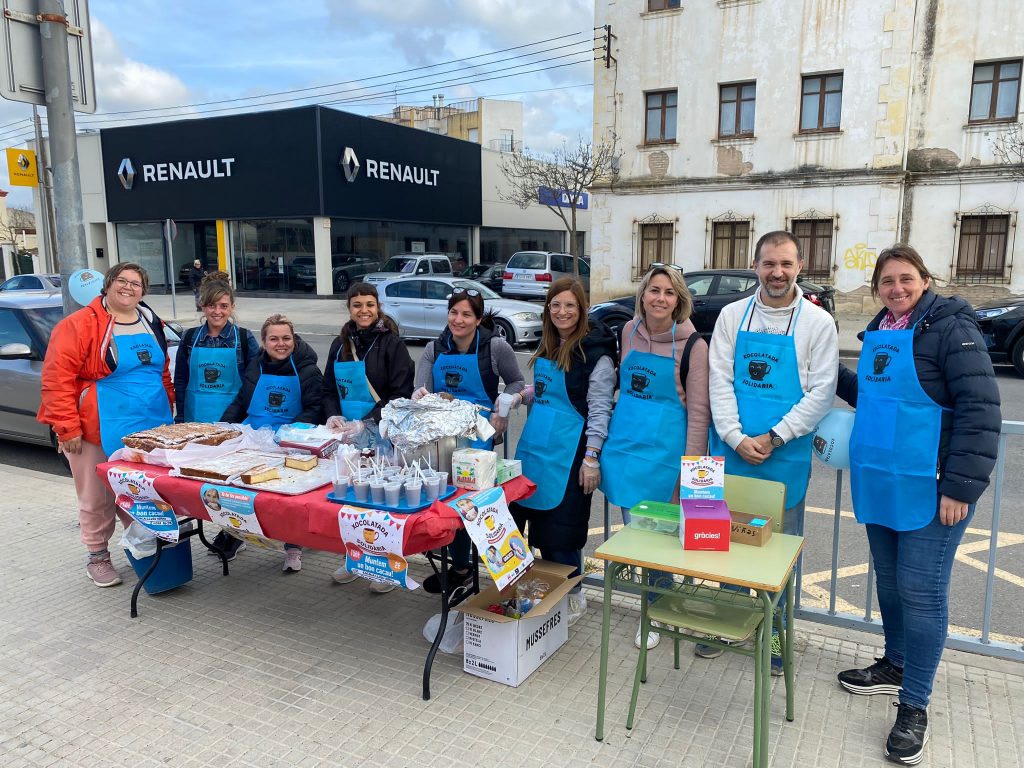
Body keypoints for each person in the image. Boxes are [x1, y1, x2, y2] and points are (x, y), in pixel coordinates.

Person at [834, 245, 1000, 766]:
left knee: (921, 591)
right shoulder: (883, 327)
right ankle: (896, 664)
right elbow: (874, 398)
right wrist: (825, 369)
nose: (896, 288)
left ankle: (914, 705)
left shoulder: (952, 328)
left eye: (906, 279)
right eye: (887, 280)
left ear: (926, 280)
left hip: (933, 487)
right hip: (882, 481)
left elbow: (981, 409)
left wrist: (960, 488)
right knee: (888, 581)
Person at [707, 230, 838, 669]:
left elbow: (822, 392)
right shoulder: (730, 315)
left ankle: (778, 633)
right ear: (755, 266)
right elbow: (719, 380)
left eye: (785, 264)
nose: (776, 273)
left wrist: (774, 436)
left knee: (779, 550)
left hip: (784, 454)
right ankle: (725, 620)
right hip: (733, 450)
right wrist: (735, 436)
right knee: (726, 540)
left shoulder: (817, 323)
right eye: (768, 264)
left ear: (799, 266)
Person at [37, 263, 174, 587]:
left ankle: (141, 549)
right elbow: (57, 378)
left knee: (142, 493)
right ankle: (97, 556)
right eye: (122, 281)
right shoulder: (79, 324)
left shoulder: (151, 320)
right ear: (108, 284)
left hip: (149, 425)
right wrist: (67, 428)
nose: (128, 288)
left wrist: (170, 407)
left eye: (136, 283)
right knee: (96, 497)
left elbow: (162, 370)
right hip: (97, 424)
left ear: (144, 290)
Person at [600, 264, 711, 649]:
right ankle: (656, 610)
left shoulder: (694, 345)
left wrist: (690, 475)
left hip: (665, 460)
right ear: (642, 295)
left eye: (669, 292)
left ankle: (658, 614)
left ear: (679, 300)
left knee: (660, 546)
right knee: (637, 542)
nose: (660, 298)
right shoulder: (628, 332)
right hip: (626, 453)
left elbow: (699, 414)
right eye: (654, 290)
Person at [509, 277, 617, 627]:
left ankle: (573, 595)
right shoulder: (550, 343)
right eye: (555, 305)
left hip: (569, 456)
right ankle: (542, 590)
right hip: (535, 450)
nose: (562, 311)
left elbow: (600, 408)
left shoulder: (595, 354)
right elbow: (543, 391)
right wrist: (520, 397)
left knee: (562, 533)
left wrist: (592, 458)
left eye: (569, 305)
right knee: (536, 525)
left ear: (582, 309)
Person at [413, 286, 525, 593]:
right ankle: (460, 567)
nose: (458, 320)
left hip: (478, 438)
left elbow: (517, 381)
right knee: (446, 503)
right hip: (441, 438)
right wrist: (420, 395)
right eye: (453, 312)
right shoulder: (433, 349)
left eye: (466, 314)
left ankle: (495, 570)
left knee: (473, 503)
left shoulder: (495, 347)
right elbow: (418, 389)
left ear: (478, 319)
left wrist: (504, 404)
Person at [324, 283, 414, 593]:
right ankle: (354, 558)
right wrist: (333, 414)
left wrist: (367, 422)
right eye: (357, 305)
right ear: (348, 309)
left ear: (378, 308)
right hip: (347, 436)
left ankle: (388, 566)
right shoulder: (340, 344)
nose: (364, 310)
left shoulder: (391, 345)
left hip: (381, 435)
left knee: (383, 503)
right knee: (351, 500)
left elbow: (401, 393)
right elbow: (328, 388)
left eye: (369, 304)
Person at [221, 314, 323, 573]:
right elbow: (242, 401)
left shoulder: (308, 370)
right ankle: (235, 534)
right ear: (264, 342)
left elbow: (315, 408)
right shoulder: (256, 366)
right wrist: (223, 427)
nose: (281, 344)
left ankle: (293, 545)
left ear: (294, 339)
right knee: (241, 491)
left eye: (286, 338)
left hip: (290, 443)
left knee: (287, 499)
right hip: (255, 441)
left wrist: (288, 434)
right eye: (274, 339)